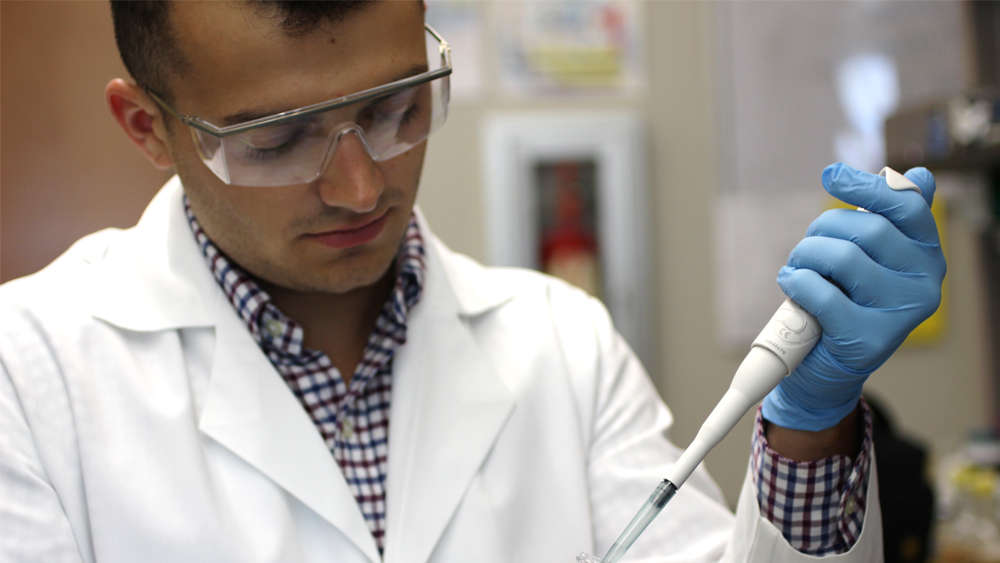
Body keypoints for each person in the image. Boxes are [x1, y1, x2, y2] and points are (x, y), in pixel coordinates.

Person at [0, 2, 946, 562]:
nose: (361, 185)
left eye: (394, 107)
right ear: (148, 129)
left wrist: (811, 427)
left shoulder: (559, 346)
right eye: (275, 141)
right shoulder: (28, 377)